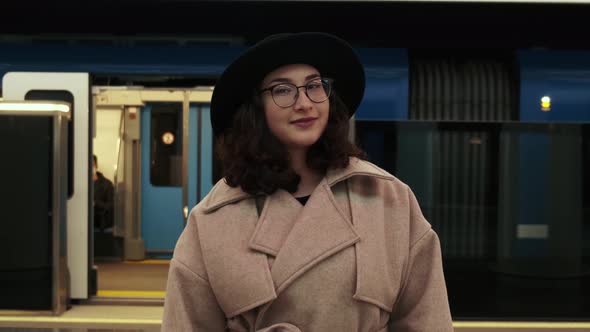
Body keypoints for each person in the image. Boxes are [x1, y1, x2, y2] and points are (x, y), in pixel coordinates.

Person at [162, 32, 453, 331]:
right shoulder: (211, 220)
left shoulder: (389, 199)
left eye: (314, 86)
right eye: (283, 90)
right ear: (255, 108)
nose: (304, 103)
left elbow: (427, 320)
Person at [93, 155, 114, 232]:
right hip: (83, 225)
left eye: (92, 164)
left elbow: (111, 206)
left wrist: (96, 203)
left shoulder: (107, 184)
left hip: (102, 227)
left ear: (96, 165)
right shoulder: (79, 184)